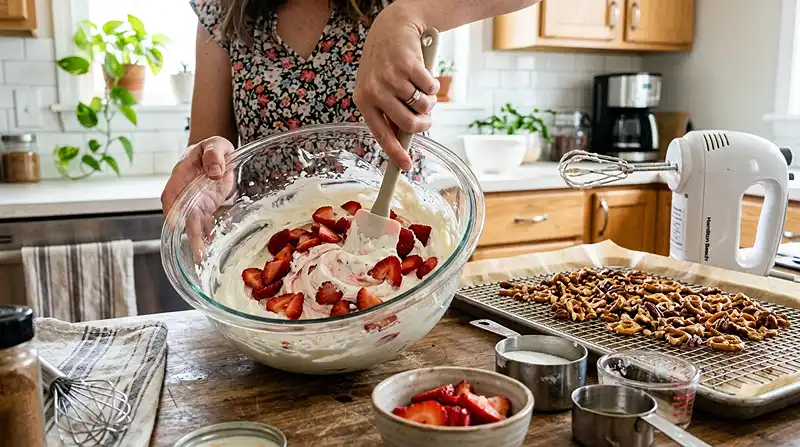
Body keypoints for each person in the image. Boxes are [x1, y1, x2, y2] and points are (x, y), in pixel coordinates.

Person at [161, 0, 543, 215]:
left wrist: (409, 13)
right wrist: (206, 165)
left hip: (394, 246)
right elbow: (211, 145)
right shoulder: (224, 11)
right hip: (267, 256)